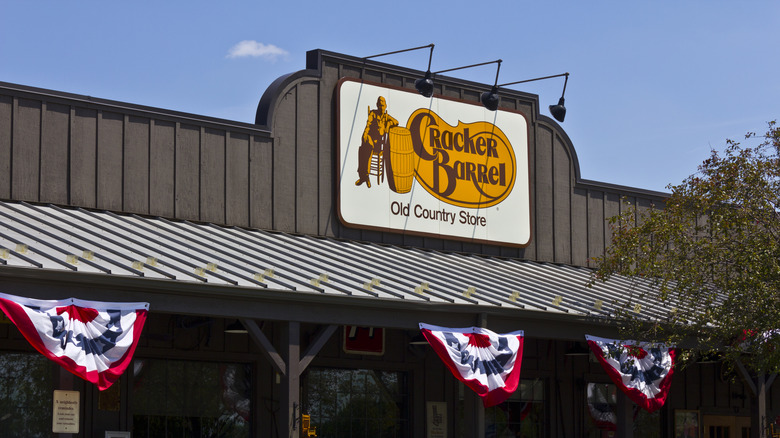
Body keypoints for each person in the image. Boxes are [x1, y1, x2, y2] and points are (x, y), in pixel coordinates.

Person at [355, 96, 398, 187]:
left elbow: (396, 122)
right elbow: (368, 125)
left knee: (366, 149)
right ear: (377, 105)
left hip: (379, 144)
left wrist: (389, 124)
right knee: (363, 149)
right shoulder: (373, 114)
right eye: (380, 105)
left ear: (385, 106)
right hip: (370, 138)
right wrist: (364, 135)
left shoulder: (386, 117)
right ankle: (364, 176)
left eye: (383, 106)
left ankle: (365, 177)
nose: (381, 108)